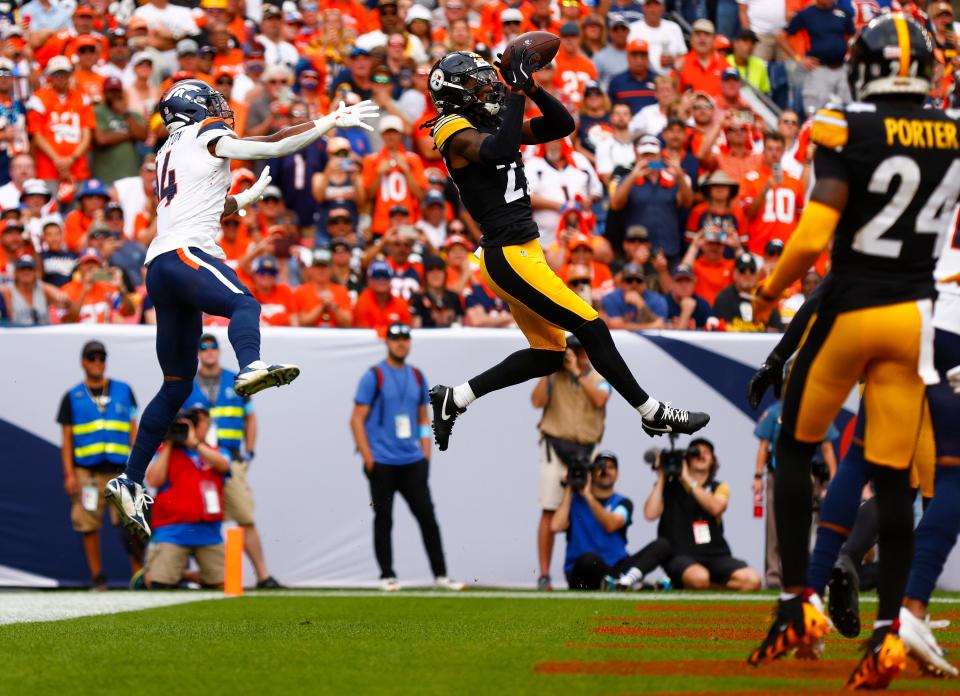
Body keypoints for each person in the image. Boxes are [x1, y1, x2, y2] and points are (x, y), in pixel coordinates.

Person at [748, 16, 952, 688]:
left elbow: (811, 238)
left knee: (798, 448)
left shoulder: (843, 126)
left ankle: (794, 605)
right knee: (894, 483)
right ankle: (891, 634)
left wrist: (769, 287)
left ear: (866, 66)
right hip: (912, 319)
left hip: (851, 310)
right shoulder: (952, 131)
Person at [104, 79, 379, 539]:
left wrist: (239, 202)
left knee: (175, 386)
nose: (220, 110)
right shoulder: (203, 133)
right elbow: (269, 145)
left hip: (161, 265)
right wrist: (327, 122)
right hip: (186, 255)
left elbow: (193, 203)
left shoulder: (168, 150)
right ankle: (249, 365)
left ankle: (130, 479)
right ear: (197, 109)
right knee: (244, 302)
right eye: (211, 104)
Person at [423, 49, 708, 455]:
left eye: (487, 79)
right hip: (508, 255)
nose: (486, 87)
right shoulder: (452, 128)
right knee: (591, 327)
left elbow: (562, 124)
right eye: (475, 82)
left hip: (522, 252)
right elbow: (499, 152)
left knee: (549, 354)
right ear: (453, 92)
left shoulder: (488, 122)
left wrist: (532, 87)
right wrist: (517, 91)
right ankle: (650, 410)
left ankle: (456, 398)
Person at [349, 322, 463, 591]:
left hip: (412, 460)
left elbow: (424, 417)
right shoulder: (373, 376)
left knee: (427, 517)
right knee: (384, 519)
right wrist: (369, 458)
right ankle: (387, 575)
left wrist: (426, 453)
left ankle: (441, 575)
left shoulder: (417, 376)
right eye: (396, 338)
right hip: (382, 462)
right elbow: (356, 419)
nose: (401, 343)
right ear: (387, 342)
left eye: (405, 338)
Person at [185, 334, 282, 589]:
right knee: (194, 516)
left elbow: (250, 417)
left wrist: (249, 450)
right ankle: (196, 574)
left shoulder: (235, 380)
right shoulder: (187, 384)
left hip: (229, 461)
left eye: (212, 347)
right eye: (202, 347)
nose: (208, 351)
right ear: (197, 353)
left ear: (219, 351)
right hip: (198, 461)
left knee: (243, 514)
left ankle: (262, 575)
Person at [57, 341, 142, 591]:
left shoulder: (124, 390)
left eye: (101, 358)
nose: (97, 362)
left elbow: (133, 429)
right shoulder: (72, 396)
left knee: (133, 523)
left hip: (120, 471)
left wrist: (138, 465)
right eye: (91, 358)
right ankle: (98, 577)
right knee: (88, 524)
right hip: (88, 473)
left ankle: (138, 575)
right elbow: (66, 439)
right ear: (83, 362)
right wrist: (69, 474)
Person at [530, 335, 612, 590]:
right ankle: (544, 574)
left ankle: (592, 571)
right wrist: (548, 370)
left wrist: (577, 373)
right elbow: (536, 401)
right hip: (556, 446)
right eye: (574, 349)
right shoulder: (554, 375)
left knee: (590, 506)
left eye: (582, 348)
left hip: (588, 449)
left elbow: (600, 399)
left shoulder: (601, 373)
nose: (578, 354)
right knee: (549, 509)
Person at [644, 439, 761, 591]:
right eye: (695, 453)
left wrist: (688, 480)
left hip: (716, 555)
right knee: (699, 578)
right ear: (686, 460)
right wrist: (661, 476)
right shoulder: (669, 486)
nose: (701, 456)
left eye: (707, 453)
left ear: (713, 461)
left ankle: (697, 585)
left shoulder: (719, 487)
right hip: (680, 555)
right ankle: (698, 583)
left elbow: (715, 508)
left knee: (753, 581)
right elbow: (650, 514)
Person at [551, 451, 672, 590]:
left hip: (616, 567)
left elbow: (611, 525)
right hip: (584, 571)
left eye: (611, 467)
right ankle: (630, 584)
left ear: (617, 474)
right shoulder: (574, 501)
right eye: (601, 467)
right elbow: (555, 526)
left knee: (662, 545)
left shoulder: (623, 502)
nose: (606, 471)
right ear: (591, 472)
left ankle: (626, 581)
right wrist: (568, 487)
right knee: (589, 560)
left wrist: (588, 497)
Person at [754, 394, 839, 588]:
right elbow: (763, 445)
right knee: (774, 526)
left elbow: (827, 448)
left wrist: (834, 479)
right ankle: (774, 575)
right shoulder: (775, 412)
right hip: (778, 473)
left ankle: (806, 572)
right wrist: (758, 475)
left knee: (806, 526)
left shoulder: (816, 411)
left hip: (807, 473)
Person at [143, 407, 229, 589]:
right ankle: (164, 574)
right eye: (203, 422)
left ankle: (185, 576)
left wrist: (195, 444)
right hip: (172, 531)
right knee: (159, 584)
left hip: (208, 531)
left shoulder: (216, 450)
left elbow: (223, 466)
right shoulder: (164, 452)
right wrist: (169, 444)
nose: (207, 426)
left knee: (225, 584)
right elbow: (153, 480)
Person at [777, 0, 855, 116]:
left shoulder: (843, 12)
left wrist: (850, 55)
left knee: (847, 111)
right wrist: (799, 59)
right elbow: (780, 37)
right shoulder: (806, 14)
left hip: (841, 70)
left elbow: (853, 35)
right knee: (816, 113)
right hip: (818, 70)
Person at [713, 253, 783, 332]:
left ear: (757, 274)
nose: (747, 274)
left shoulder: (766, 297)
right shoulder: (724, 298)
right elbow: (723, 330)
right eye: (742, 271)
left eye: (752, 270)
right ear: (734, 274)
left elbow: (775, 329)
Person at [600, 262, 667, 330]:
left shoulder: (658, 300)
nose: (634, 284)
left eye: (638, 280)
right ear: (622, 283)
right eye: (629, 280)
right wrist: (650, 326)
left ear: (645, 283)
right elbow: (615, 327)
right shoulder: (611, 298)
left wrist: (641, 304)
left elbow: (660, 327)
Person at [353, 259, 412, 331]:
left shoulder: (401, 304)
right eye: (376, 276)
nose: (381, 279)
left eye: (385, 276)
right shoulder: (361, 303)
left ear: (390, 280)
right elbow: (363, 334)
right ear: (369, 280)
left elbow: (406, 334)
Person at [409, 256, 463, 328]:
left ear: (445, 274)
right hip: (426, 338)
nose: (435, 275)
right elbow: (416, 327)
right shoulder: (418, 298)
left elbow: (460, 324)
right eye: (431, 271)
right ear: (425, 275)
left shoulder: (453, 297)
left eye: (439, 270)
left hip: (451, 337)